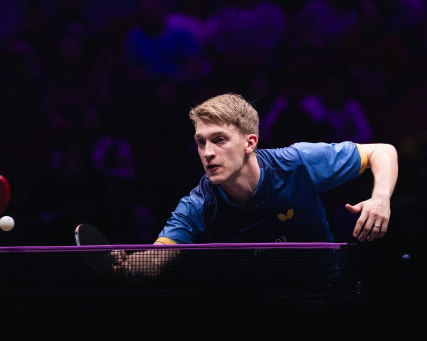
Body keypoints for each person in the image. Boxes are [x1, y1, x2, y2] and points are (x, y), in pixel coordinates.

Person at [112, 93, 398, 278]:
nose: (207, 152)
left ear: (250, 142)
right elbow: (157, 257)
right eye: (201, 142)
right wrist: (130, 266)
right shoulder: (198, 205)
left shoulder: (296, 163)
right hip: (254, 303)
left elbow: (382, 151)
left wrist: (381, 198)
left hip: (322, 291)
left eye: (219, 140)